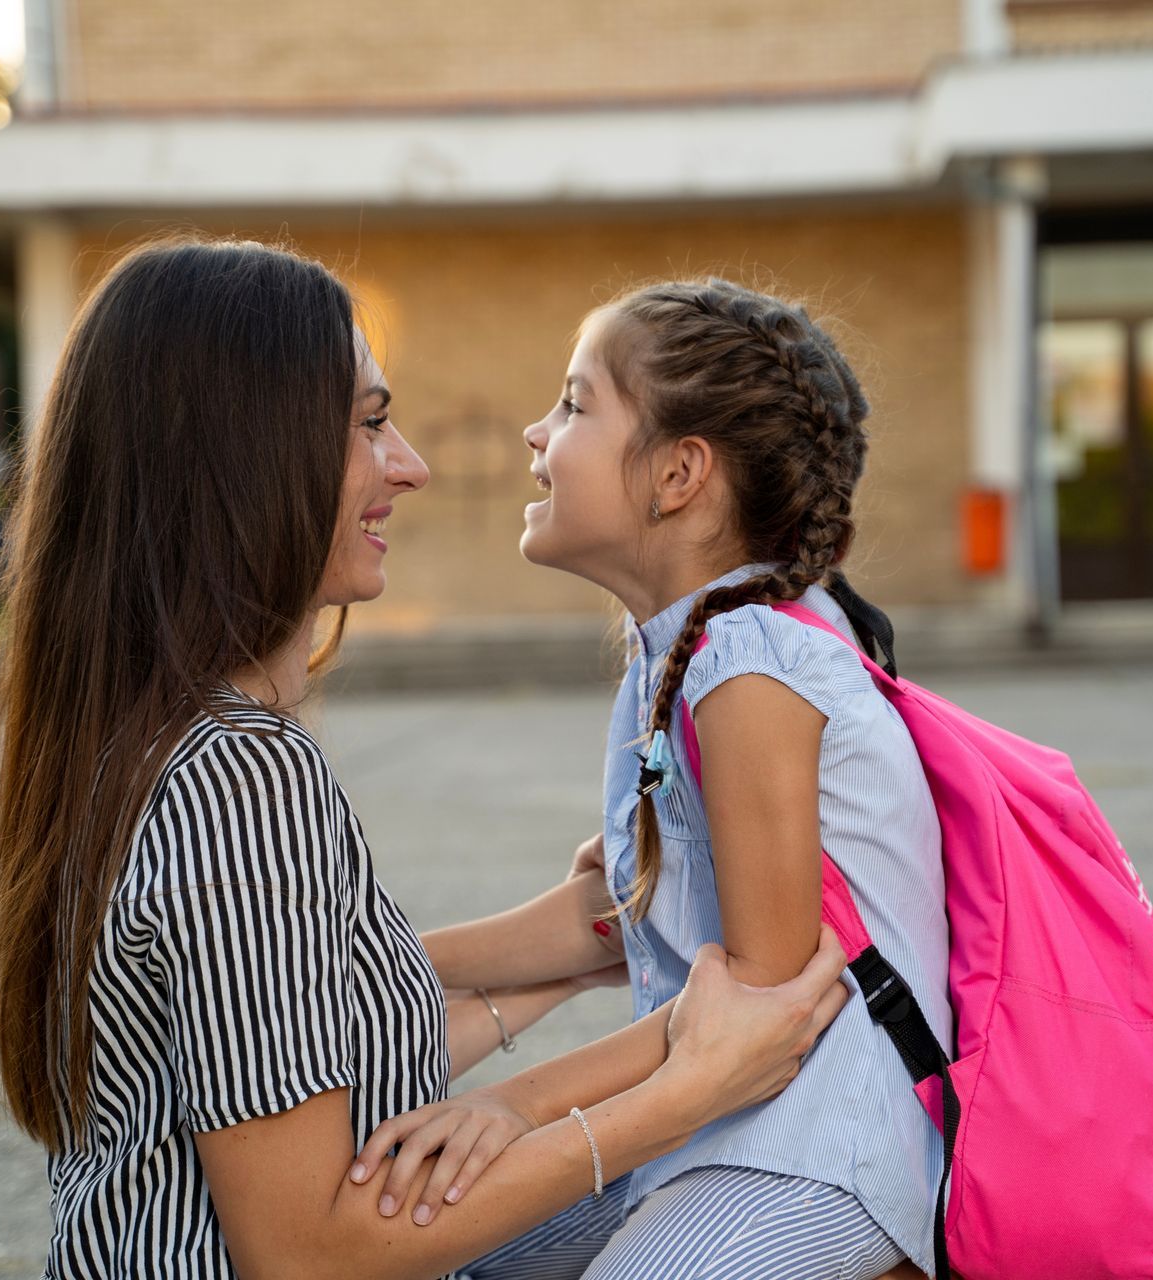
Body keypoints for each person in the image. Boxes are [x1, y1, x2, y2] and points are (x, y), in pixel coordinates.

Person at [0, 240, 853, 1280]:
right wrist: (683, 1092)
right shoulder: (238, 780)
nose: (411, 465)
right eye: (370, 422)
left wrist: (576, 948)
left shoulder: (141, 737)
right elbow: (307, 1251)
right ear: (245, 454)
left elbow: (295, 1045)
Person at [360, 280, 949, 1279]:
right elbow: (616, 914)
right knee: (423, 1243)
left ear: (677, 474)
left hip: (811, 1146)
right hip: (715, 1125)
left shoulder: (751, 662)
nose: (534, 432)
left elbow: (762, 1006)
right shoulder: (684, 654)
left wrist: (515, 1103)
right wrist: (360, 966)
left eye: (575, 403)